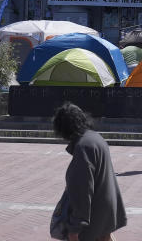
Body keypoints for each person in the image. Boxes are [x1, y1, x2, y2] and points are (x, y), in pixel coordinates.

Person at [52, 103, 126, 241]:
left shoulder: (83, 147)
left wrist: (74, 229)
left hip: (94, 220)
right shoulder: (95, 138)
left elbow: (83, 192)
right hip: (106, 214)